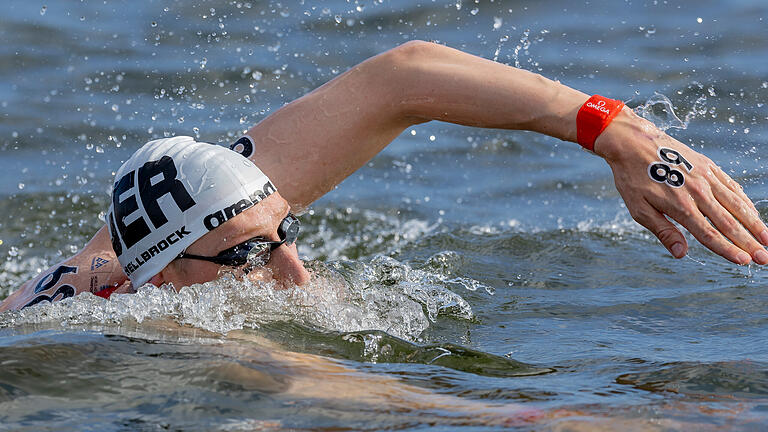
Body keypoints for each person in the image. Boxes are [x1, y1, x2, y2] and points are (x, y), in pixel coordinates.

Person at [1, 40, 767, 312]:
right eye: (246, 259)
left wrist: (615, 131)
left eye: (282, 236)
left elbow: (399, 79)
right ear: (160, 281)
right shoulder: (152, 317)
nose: (294, 277)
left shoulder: (186, 212)